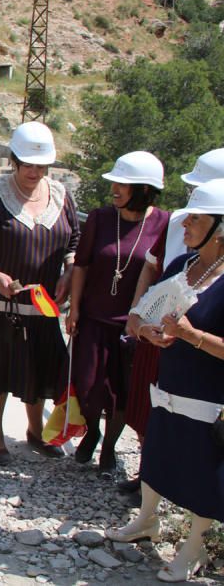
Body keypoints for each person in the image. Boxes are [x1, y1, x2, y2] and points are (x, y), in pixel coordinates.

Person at [105, 179, 224, 583]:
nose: (185, 224)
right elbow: (140, 313)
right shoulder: (181, 267)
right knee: (156, 456)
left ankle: (192, 549)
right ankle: (146, 520)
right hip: (167, 384)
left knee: (202, 473)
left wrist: (194, 337)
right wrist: (147, 332)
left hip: (208, 395)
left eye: (197, 218)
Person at [0, 122, 79, 464]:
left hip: (42, 304)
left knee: (40, 367)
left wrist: (70, 271)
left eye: (41, 165)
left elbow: (73, 241)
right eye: (28, 164)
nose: (34, 171)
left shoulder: (61, 195)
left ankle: (36, 431)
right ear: (15, 160)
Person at [66, 151, 169, 479]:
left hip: (133, 327)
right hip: (93, 319)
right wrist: (76, 308)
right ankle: (92, 431)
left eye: (123, 184)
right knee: (88, 385)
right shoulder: (99, 217)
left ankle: (109, 445)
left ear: (143, 189)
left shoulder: (164, 223)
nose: (114, 188)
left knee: (123, 393)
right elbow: (81, 265)